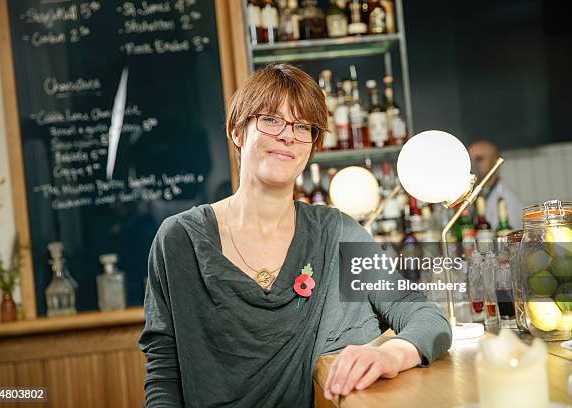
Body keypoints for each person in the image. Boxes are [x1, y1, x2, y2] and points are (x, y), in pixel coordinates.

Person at [138, 63, 452, 407]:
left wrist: (392, 355)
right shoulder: (180, 240)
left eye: (303, 126)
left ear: (311, 146)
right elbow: (165, 371)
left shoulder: (337, 233)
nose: (288, 136)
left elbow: (424, 315)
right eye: (271, 120)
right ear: (237, 131)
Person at [468, 140, 524, 229]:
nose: (472, 165)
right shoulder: (477, 194)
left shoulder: (505, 200)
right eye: (469, 160)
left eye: (479, 159)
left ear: (495, 162)